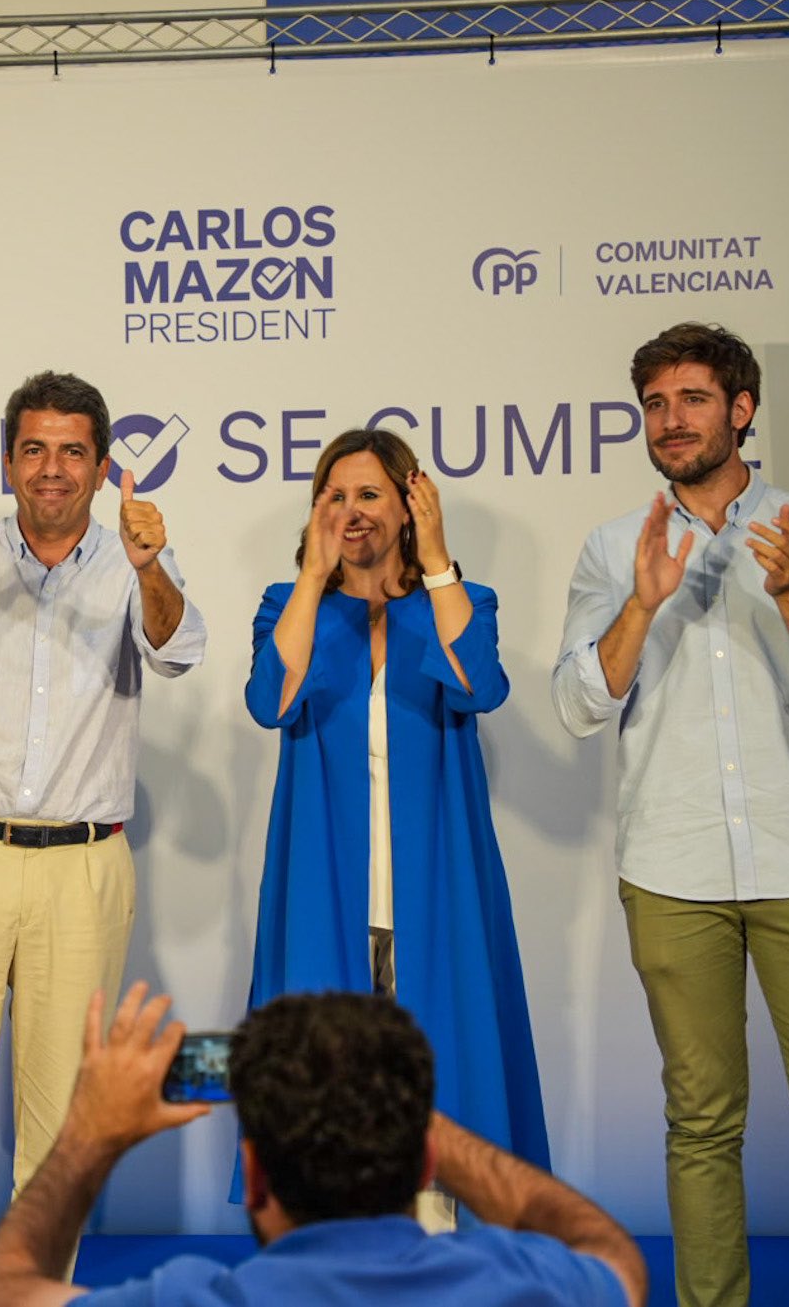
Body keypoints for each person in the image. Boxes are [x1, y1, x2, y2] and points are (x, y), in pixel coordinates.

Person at [551, 321, 789, 1307]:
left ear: (741, 408)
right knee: (700, 1126)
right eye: (655, 404)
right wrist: (640, 603)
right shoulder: (613, 548)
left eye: (691, 399)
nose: (670, 420)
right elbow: (578, 706)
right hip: (670, 872)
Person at [0, 371, 206, 1307]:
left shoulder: (136, 557)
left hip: (83, 868)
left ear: (101, 467)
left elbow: (178, 649)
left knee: (61, 1128)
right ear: (7, 462)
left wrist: (150, 567)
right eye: (34, 449)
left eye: (71, 451)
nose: (51, 468)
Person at [243, 427, 547, 1193]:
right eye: (336, 496)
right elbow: (270, 700)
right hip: (327, 891)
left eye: (371, 494)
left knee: (440, 1082)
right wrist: (312, 577)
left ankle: (437, 1242)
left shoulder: (460, 603)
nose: (352, 510)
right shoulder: (289, 606)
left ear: (410, 504)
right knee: (330, 1088)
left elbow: (480, 685)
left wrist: (438, 562)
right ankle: (339, 1243)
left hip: (436, 892)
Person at [0, 984, 646, 1306]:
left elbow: (1, 1294)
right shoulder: (521, 1285)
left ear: (254, 1173)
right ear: (426, 1163)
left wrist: (88, 1136)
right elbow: (613, 1256)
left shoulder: (190, 1299)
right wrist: (416, 1120)